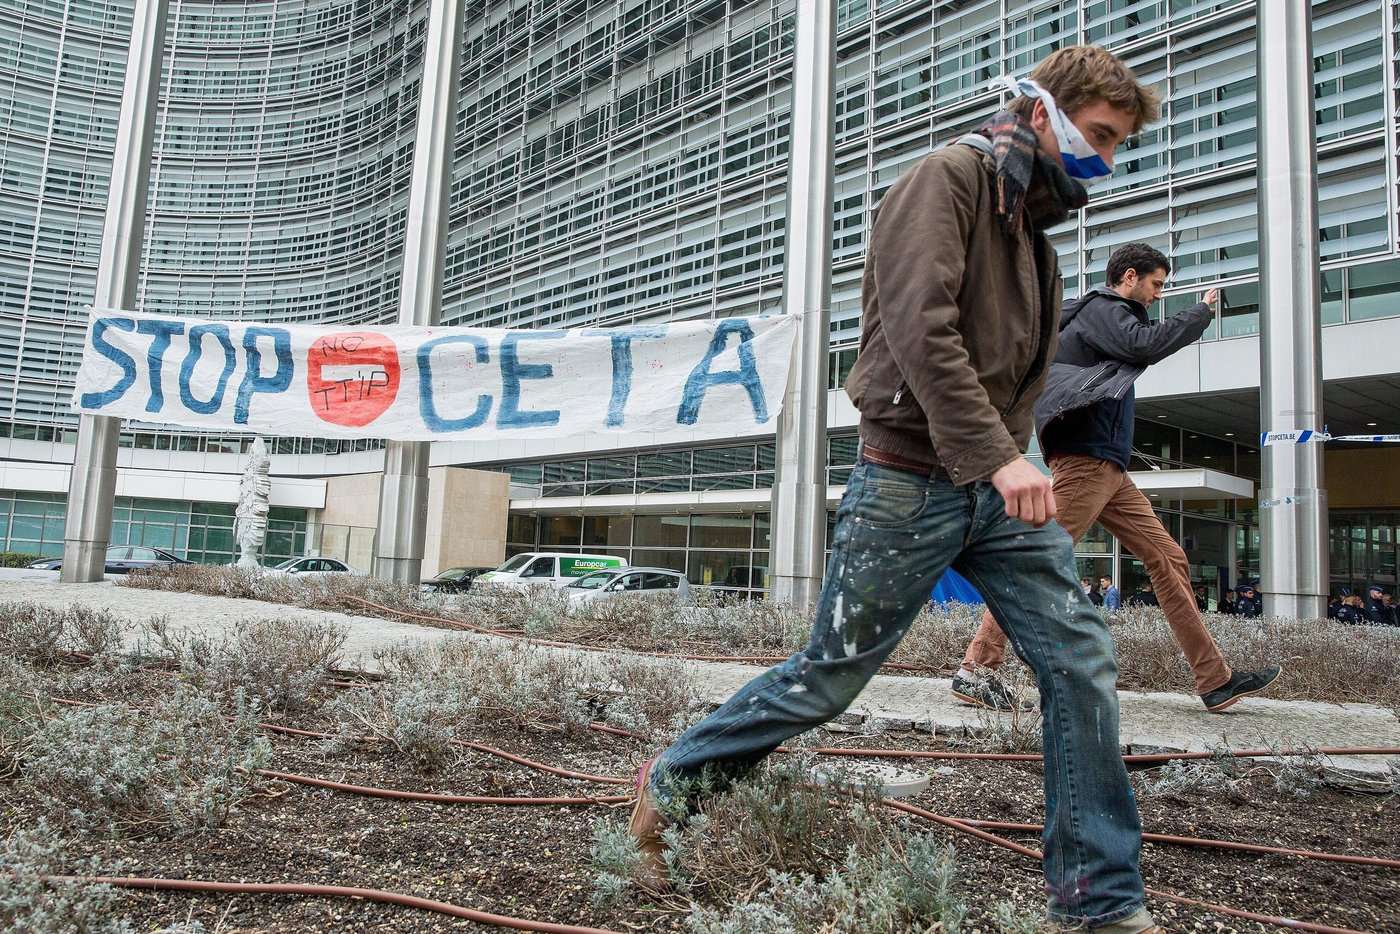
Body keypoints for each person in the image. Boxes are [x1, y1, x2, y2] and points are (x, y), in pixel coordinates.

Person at [630, 46, 1165, 933]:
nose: (1104, 159)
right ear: (1045, 112)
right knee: (827, 679)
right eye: (1099, 135)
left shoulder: (1030, 226)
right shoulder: (947, 179)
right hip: (911, 480)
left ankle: (1101, 902)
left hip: (994, 488)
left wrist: (1008, 456)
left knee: (1081, 666)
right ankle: (672, 781)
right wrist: (1001, 455)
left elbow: (1015, 365)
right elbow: (922, 330)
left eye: (1118, 145)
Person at [951, 242, 1280, 715]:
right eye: (1155, 285)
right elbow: (1145, 345)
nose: (1156, 296)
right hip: (1086, 464)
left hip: (1109, 469)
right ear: (1129, 277)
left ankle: (1215, 680)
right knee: (1033, 562)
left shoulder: (1097, 317)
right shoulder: (1106, 310)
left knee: (1168, 559)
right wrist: (1199, 315)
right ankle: (977, 669)